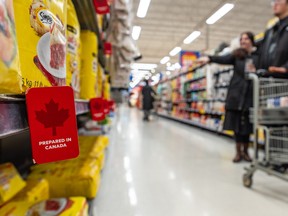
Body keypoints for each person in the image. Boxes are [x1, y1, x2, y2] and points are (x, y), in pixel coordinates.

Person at [198, 32, 257, 163]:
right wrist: (210, 58)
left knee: (247, 125)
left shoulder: (257, 56)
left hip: (250, 94)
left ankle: (246, 152)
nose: (243, 41)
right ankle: (238, 152)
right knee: (236, 125)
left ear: (252, 41)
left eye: (246, 39)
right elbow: (223, 59)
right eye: (241, 39)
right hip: (236, 94)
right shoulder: (237, 55)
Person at [258, 0, 288, 74]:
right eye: (274, 1)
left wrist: (286, 68)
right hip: (269, 79)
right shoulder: (271, 30)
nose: (275, 4)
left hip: (284, 79)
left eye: (278, 1)